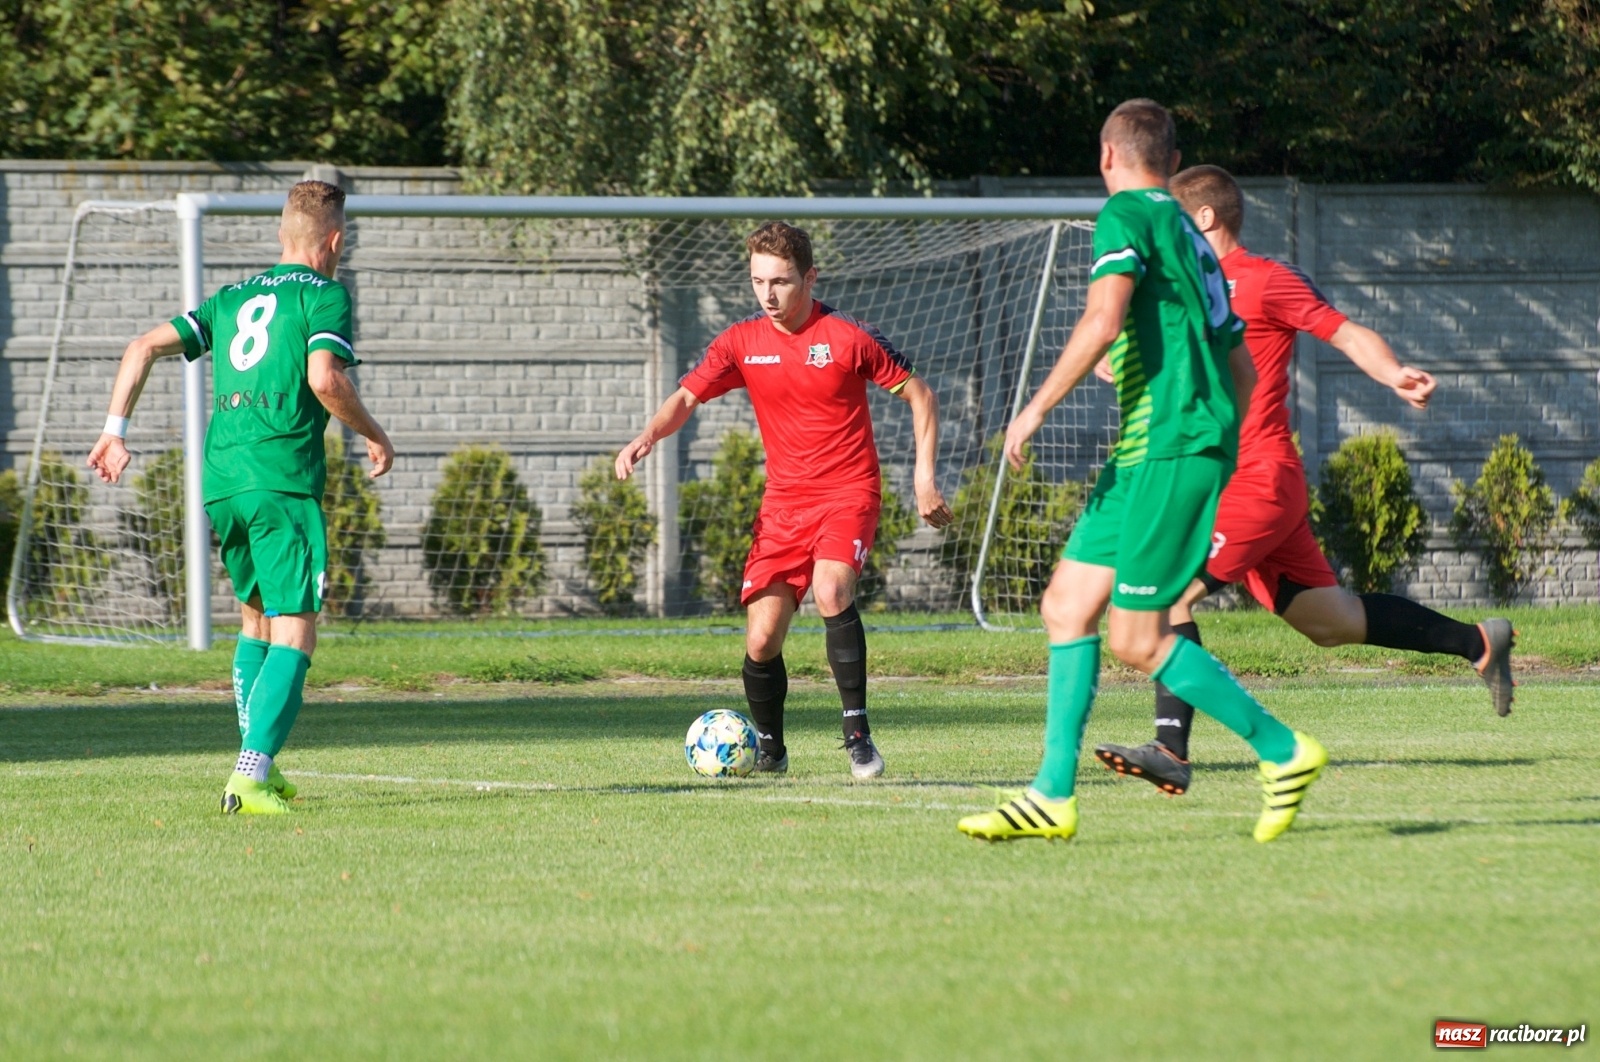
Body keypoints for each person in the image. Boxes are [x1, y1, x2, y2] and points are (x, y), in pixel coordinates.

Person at [956, 99, 1325, 845]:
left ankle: (1284, 750)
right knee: (1066, 606)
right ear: (1170, 158)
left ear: (1107, 156)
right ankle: (1051, 796)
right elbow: (1241, 365)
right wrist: (1221, 444)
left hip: (1166, 449)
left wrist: (1031, 412)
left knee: (1136, 637)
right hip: (1153, 453)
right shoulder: (1192, 236)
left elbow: (1103, 320)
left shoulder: (1124, 215)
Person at [1093, 164, 1515, 797]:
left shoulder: (1264, 279)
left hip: (1257, 479)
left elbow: (1343, 331)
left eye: (1176, 219)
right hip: (1229, 484)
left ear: (1205, 217)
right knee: (1332, 623)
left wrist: (1394, 373)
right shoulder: (1183, 284)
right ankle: (1478, 642)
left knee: (1167, 600)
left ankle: (1170, 750)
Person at [87, 180, 394, 815]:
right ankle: (250, 776)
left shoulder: (230, 298)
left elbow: (141, 346)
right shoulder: (325, 296)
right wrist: (374, 433)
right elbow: (324, 378)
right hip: (281, 479)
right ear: (336, 241)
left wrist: (114, 432)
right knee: (295, 633)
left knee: (255, 619)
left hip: (223, 481)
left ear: (282, 235)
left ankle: (260, 767)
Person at [616, 221, 952, 779]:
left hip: (848, 491)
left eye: (780, 281)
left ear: (810, 277)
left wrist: (924, 478)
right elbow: (686, 397)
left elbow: (922, 396)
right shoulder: (741, 342)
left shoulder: (848, 336)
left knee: (831, 589)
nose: (768, 295)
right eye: (758, 281)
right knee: (761, 638)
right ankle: (770, 748)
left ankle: (858, 737)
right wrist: (647, 436)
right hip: (783, 505)